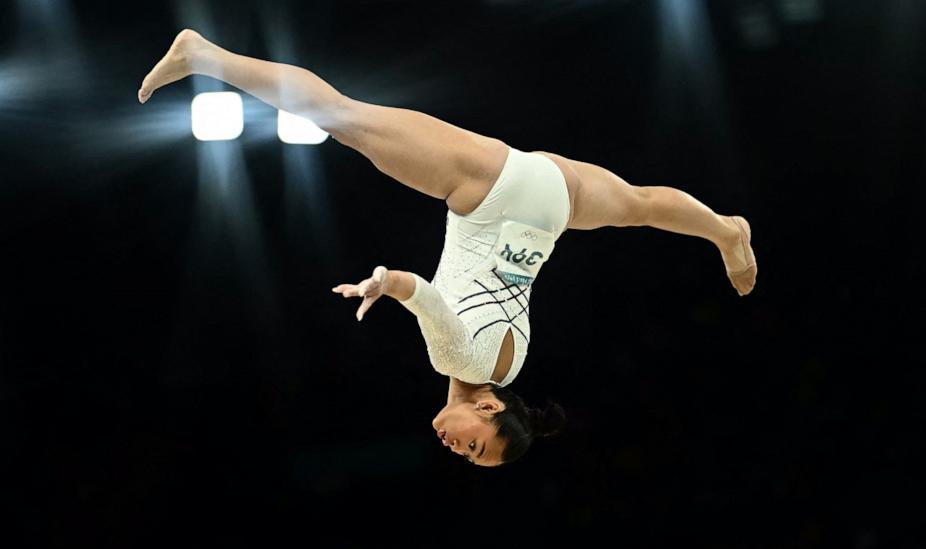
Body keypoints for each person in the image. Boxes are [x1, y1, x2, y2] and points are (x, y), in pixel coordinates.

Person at [139, 29, 757, 467]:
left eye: (466, 457)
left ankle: (726, 231)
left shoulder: (511, 368)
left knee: (642, 206)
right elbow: (429, 300)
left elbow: (464, 297)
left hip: (551, 211)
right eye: (474, 444)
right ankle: (204, 55)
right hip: (491, 192)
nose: (456, 448)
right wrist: (386, 283)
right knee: (338, 115)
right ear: (488, 407)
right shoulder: (459, 366)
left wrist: (403, 286)